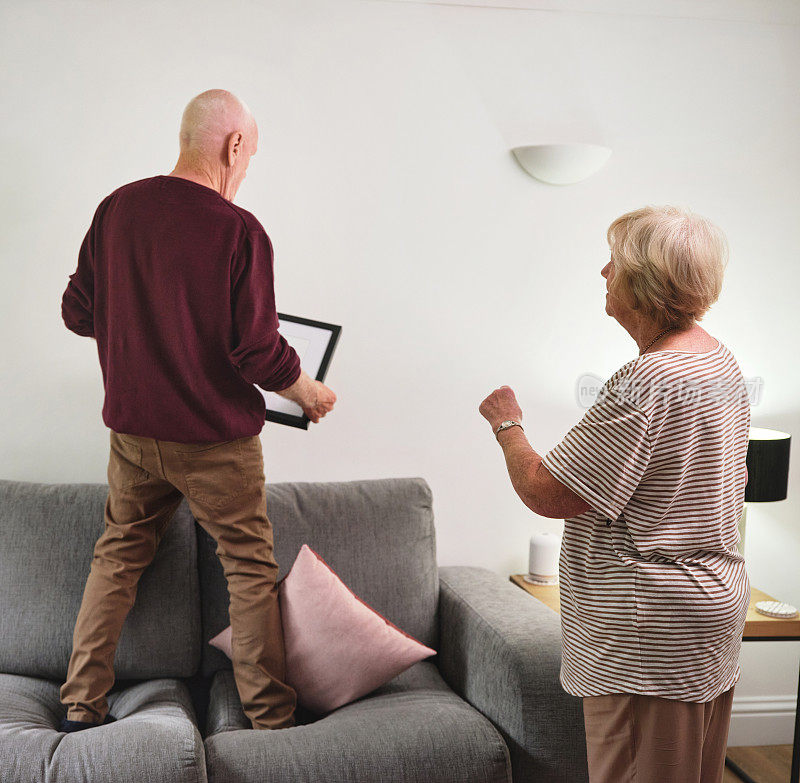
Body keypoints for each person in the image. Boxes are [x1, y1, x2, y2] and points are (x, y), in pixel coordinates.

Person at [59, 89, 336, 733]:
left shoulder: (117, 209)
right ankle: (269, 718)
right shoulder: (239, 230)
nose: (246, 171)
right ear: (233, 145)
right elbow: (258, 349)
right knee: (247, 567)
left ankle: (79, 706)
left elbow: (77, 312)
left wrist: (140, 329)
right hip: (216, 445)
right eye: (251, 155)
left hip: (132, 435)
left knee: (117, 557)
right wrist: (309, 393)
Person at [479, 205, 750, 783]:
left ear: (646, 284)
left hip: (647, 633)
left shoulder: (647, 382)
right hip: (706, 617)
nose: (603, 273)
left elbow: (547, 492)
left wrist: (508, 424)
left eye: (615, 264)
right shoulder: (720, 361)